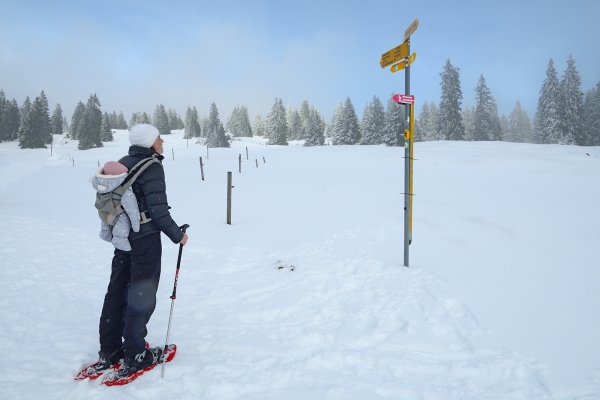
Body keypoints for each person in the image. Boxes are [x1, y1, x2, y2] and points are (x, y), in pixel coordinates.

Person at [95, 124, 188, 377]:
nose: (162, 140)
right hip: (144, 239)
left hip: (122, 238)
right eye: (159, 137)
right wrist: (178, 235)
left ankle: (110, 351)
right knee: (141, 295)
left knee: (116, 290)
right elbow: (158, 211)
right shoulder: (152, 166)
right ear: (149, 142)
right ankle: (136, 354)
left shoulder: (124, 162)